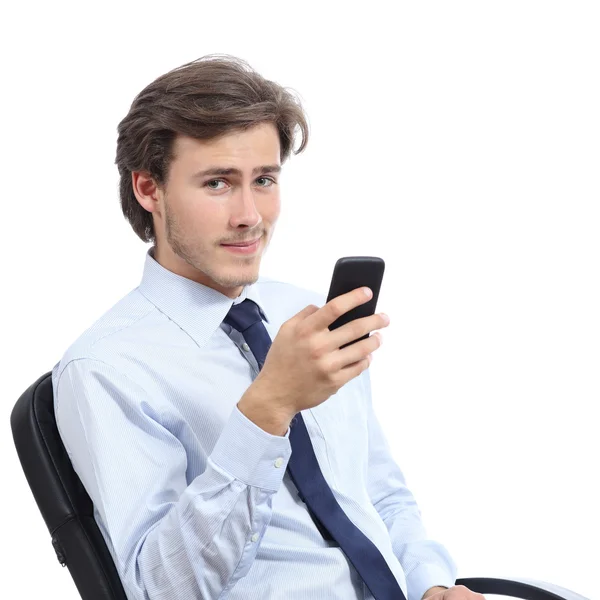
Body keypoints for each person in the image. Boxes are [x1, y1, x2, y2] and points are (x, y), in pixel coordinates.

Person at [52, 54, 479, 600]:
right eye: (217, 183)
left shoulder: (302, 315)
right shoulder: (106, 369)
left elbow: (376, 492)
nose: (250, 215)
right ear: (148, 190)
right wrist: (267, 409)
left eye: (265, 179)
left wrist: (431, 585)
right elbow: (162, 589)